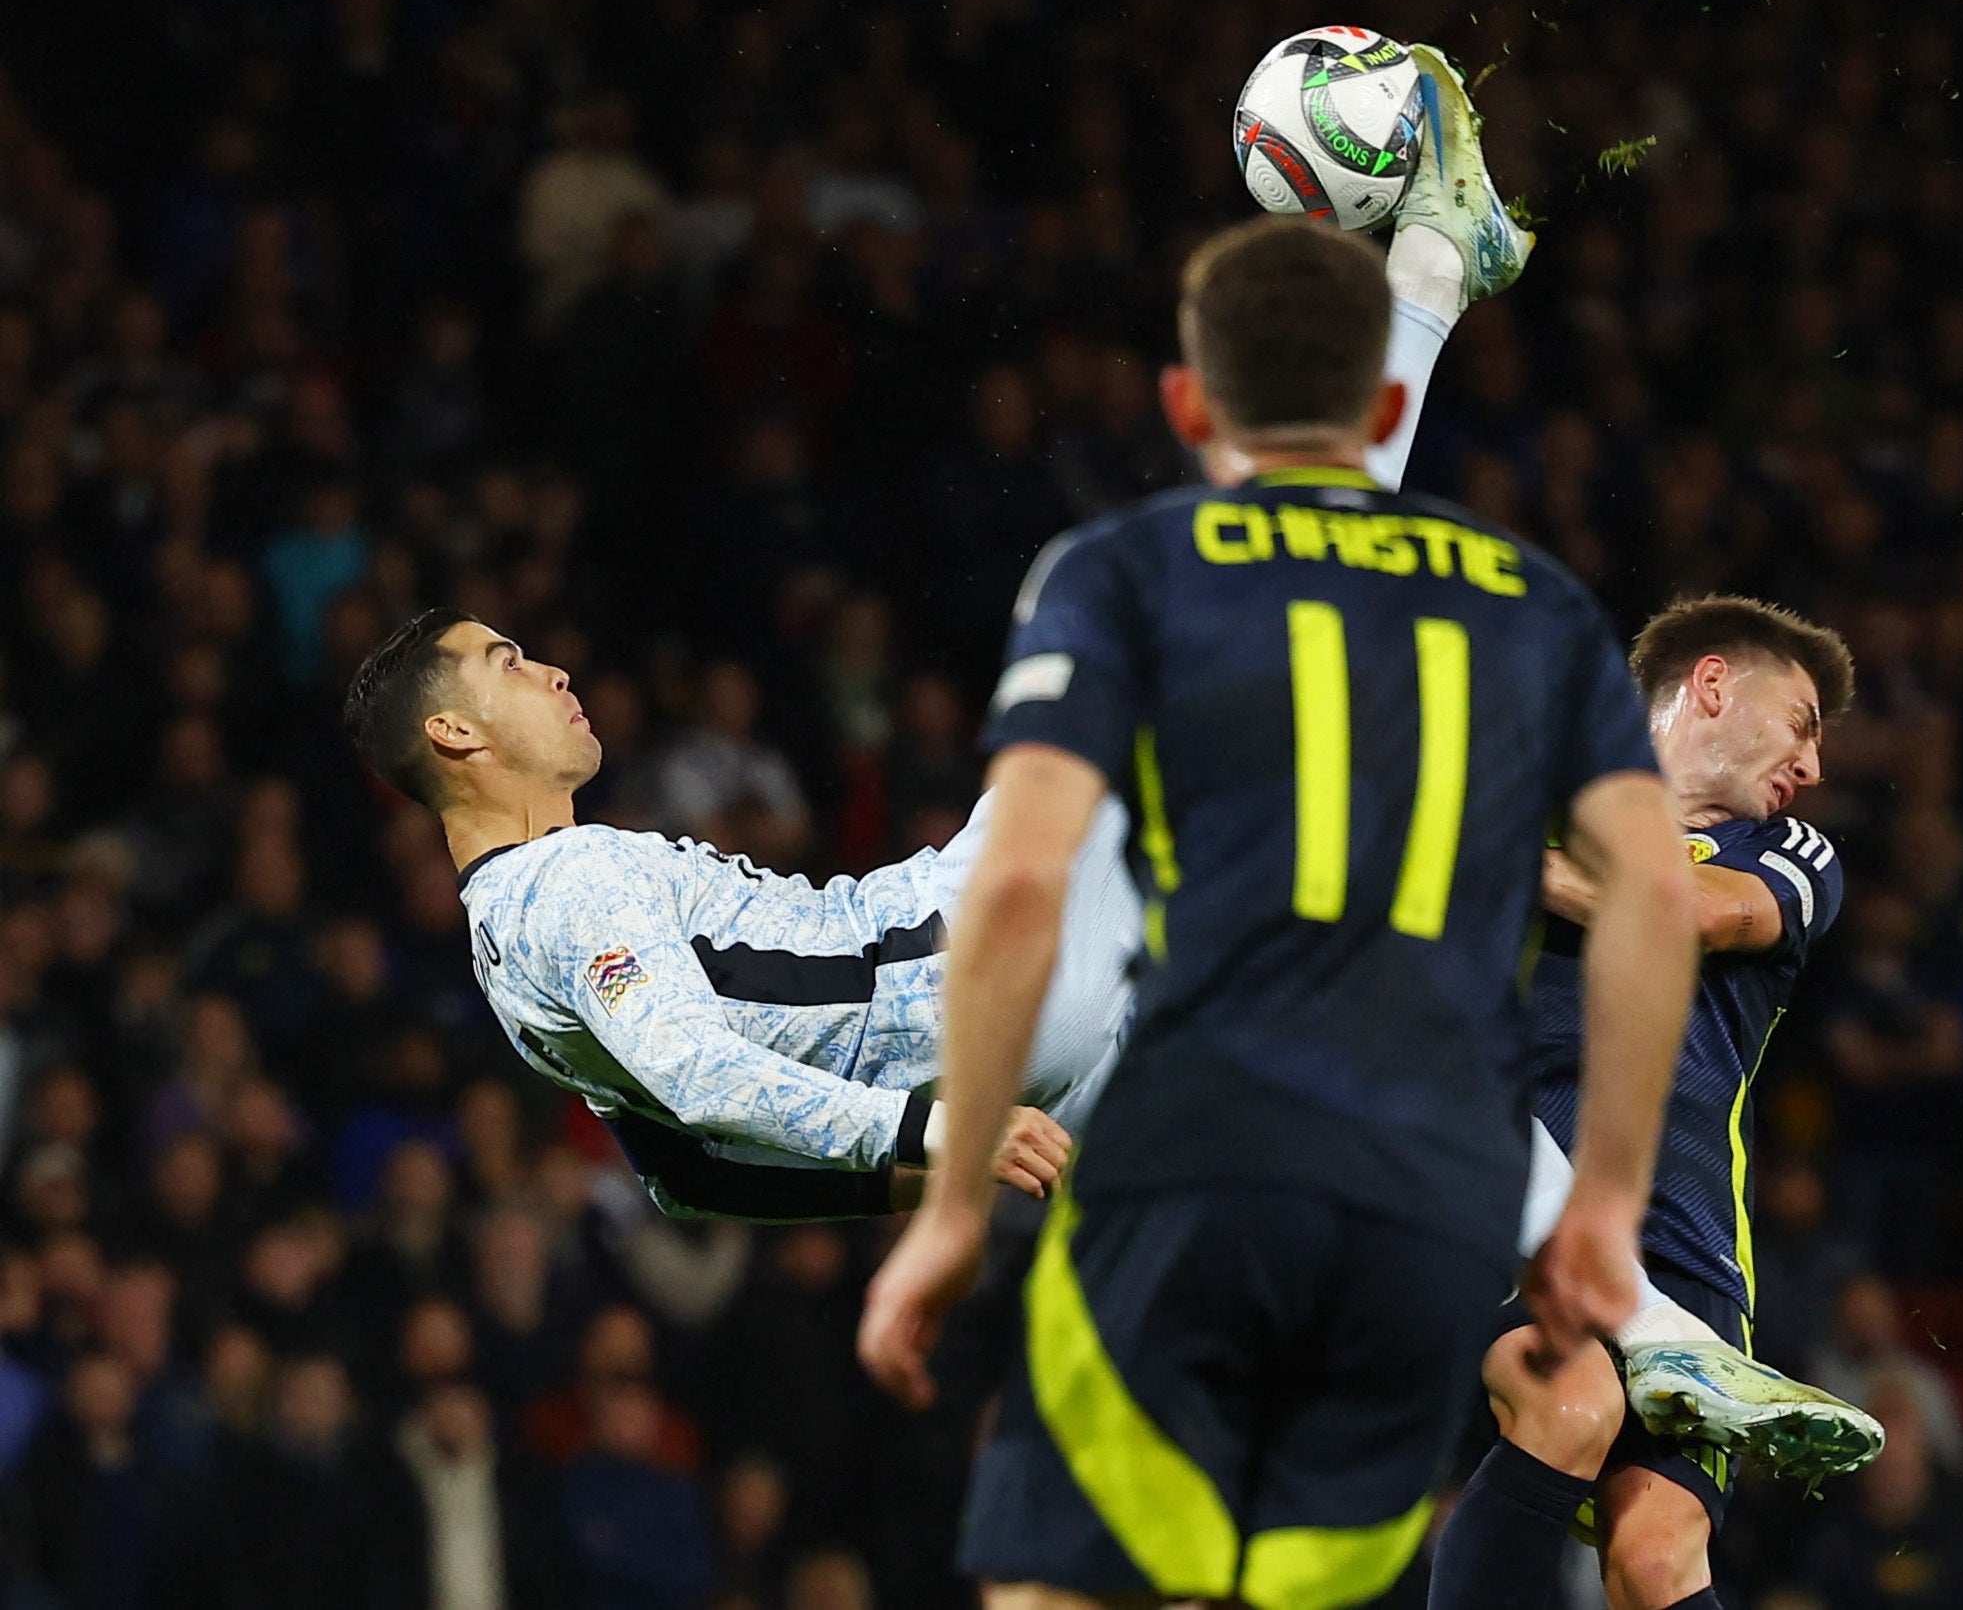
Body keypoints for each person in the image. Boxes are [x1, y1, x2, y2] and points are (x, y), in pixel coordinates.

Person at [852, 186, 1701, 1610]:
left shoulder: (1124, 570)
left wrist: (946, 1214)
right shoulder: (1536, 598)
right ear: (1384, 397)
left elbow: (1015, 887)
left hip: (1205, 1153)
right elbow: (1657, 901)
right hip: (1435, 1202)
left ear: (1189, 404)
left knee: (1065, 1574)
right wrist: (1604, 1206)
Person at [341, 608, 1134, 1220]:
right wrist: (944, 1136)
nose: (552, 673)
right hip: (980, 960)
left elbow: (688, 1181)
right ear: (452, 731)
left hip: (1025, 1073)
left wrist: (942, 1178)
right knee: (1157, 650)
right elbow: (697, 1071)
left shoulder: (504, 958)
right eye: (507, 665)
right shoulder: (567, 880)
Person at [1430, 592, 1883, 1610]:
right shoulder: (1540, 794)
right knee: (1571, 1406)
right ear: (1714, 684)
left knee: (1658, 1552)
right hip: (1518, 1193)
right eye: (1804, 721)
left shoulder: (1792, 856)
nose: (1813, 767)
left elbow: (1691, 914)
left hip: (1686, 1241)